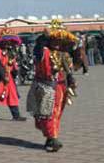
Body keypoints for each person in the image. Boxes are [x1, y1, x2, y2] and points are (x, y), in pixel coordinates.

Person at [27, 20, 78, 152]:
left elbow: (68, 70)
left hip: (61, 87)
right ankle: (52, 138)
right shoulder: (43, 51)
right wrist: (44, 38)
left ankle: (50, 138)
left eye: (60, 41)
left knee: (57, 114)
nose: (57, 43)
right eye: (54, 40)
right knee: (49, 113)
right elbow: (38, 53)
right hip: (46, 87)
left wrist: (70, 79)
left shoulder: (63, 54)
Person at [0, 32, 26, 122]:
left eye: (10, 42)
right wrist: (3, 76)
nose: (8, 44)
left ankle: (16, 115)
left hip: (9, 77)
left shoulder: (10, 52)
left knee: (12, 95)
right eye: (6, 42)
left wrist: (15, 72)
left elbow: (13, 65)